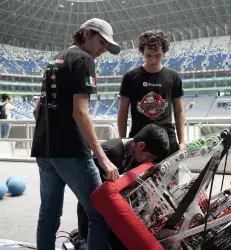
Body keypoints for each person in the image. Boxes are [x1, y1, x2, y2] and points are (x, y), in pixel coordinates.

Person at [31, 18, 121, 250]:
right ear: (86, 34)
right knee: (99, 213)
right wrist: (102, 157)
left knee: (49, 213)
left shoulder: (55, 59)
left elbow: (37, 109)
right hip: (70, 151)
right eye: (101, 42)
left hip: (44, 148)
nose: (103, 49)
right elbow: (80, 113)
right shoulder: (83, 60)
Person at [76, 123, 170, 249]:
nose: (146, 161)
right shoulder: (109, 152)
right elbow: (86, 192)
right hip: (92, 218)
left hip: (111, 218)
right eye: (148, 157)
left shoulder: (134, 155)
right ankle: (79, 240)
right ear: (141, 145)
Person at [117, 29, 186, 156]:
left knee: (171, 176)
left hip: (168, 140)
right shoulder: (130, 77)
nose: (153, 59)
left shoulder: (174, 76)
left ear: (164, 53)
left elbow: (179, 111)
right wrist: (122, 140)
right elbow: (122, 111)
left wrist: (182, 141)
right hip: (139, 141)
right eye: (148, 55)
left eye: (157, 55)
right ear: (142, 52)